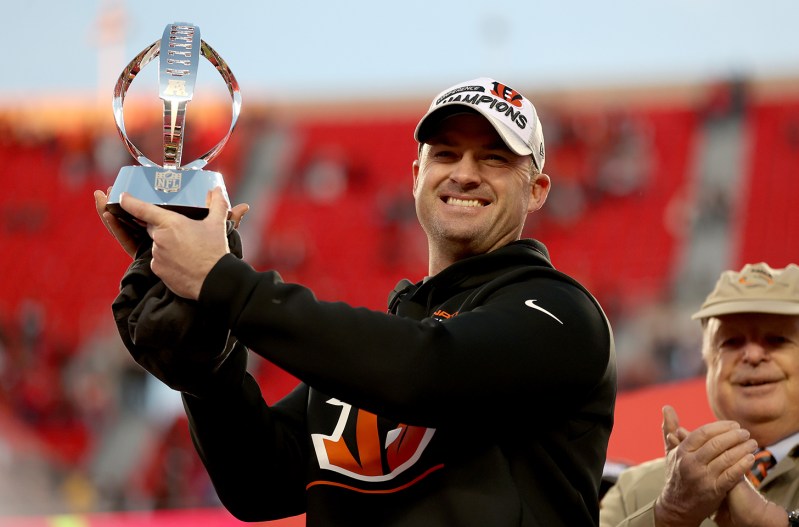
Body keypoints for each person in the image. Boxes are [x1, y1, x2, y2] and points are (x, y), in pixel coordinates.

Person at [94, 77, 616, 526]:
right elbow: (260, 484)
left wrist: (223, 284)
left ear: (538, 189)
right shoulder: (375, 353)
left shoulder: (560, 314)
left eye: (495, 158)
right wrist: (206, 372)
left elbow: (425, 369)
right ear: (416, 176)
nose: (464, 173)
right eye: (446, 154)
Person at [599, 262, 799, 527]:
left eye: (776, 340)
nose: (751, 355)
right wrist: (669, 515)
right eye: (731, 342)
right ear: (707, 360)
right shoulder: (636, 489)